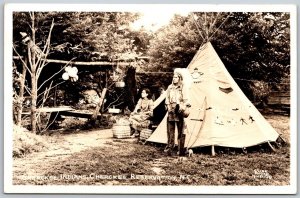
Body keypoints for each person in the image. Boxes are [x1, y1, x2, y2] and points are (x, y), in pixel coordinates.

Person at [164, 72, 190, 156]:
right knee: (170, 130)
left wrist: (183, 107)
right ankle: (170, 148)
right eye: (173, 77)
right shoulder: (170, 87)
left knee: (181, 130)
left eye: (176, 77)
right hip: (171, 109)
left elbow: (186, 99)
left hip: (179, 109)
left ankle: (180, 150)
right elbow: (167, 98)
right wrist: (168, 106)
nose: (174, 78)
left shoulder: (182, 87)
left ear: (179, 78)